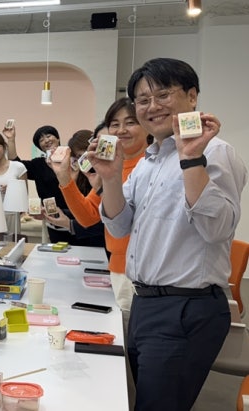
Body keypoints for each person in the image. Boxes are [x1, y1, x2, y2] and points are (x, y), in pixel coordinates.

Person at [96, 58, 247, 411]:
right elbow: (119, 225)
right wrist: (110, 177)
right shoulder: (149, 160)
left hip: (185, 306)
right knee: (145, 400)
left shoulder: (216, 151)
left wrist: (191, 159)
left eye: (163, 95)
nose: (152, 107)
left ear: (192, 96)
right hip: (146, 301)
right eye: (142, 100)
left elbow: (216, 229)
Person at [50, 98, 149, 312]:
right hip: (119, 267)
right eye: (115, 124)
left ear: (145, 123)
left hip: (152, 272)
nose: (121, 130)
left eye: (130, 122)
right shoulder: (112, 166)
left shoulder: (154, 162)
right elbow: (88, 216)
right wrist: (64, 177)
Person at [6, 124, 77, 243]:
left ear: (58, 138)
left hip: (78, 216)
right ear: (40, 147)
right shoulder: (38, 165)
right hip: (54, 219)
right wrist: (11, 139)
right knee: (59, 250)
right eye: (41, 140)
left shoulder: (73, 159)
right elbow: (16, 164)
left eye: (48, 136)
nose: (46, 140)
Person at [42, 130, 106, 248]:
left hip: (103, 243)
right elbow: (87, 208)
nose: (83, 160)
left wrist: (70, 224)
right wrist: (58, 212)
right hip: (91, 244)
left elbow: (109, 220)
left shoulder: (106, 175)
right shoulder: (85, 175)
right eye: (77, 157)